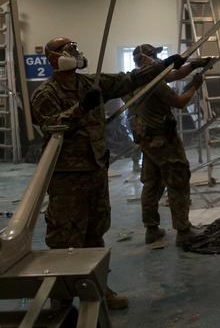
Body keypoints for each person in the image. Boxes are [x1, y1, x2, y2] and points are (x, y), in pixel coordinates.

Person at [31, 37, 185, 310]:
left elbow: (128, 80)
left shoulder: (91, 83)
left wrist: (162, 66)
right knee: (66, 240)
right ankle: (61, 302)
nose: (74, 53)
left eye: (75, 49)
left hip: (96, 172)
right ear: (53, 58)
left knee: (95, 235)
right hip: (68, 179)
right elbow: (50, 125)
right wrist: (82, 108)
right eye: (68, 50)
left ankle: (99, 290)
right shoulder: (46, 93)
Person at [130, 44, 213, 246]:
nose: (158, 60)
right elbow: (179, 102)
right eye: (154, 57)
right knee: (178, 181)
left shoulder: (133, 79)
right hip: (164, 141)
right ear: (146, 59)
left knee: (152, 183)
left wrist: (192, 64)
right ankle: (183, 231)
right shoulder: (153, 84)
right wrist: (194, 85)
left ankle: (151, 229)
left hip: (147, 141)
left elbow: (171, 75)